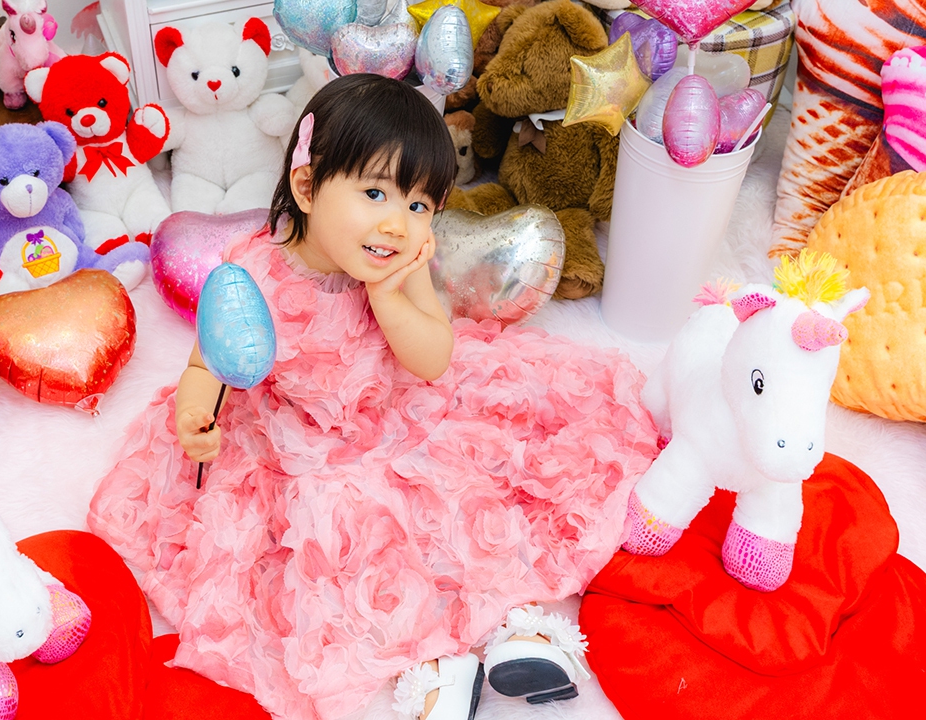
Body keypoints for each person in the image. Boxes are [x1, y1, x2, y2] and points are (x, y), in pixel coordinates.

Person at [88, 74, 657, 720]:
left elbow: (433, 359)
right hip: (298, 439)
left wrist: (388, 295)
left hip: (400, 410)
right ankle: (429, 662)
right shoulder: (252, 273)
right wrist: (195, 412)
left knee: (469, 506)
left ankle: (519, 626)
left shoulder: (400, 267)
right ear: (308, 188)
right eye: (376, 193)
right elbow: (207, 361)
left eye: (419, 205)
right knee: (346, 545)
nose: (397, 223)